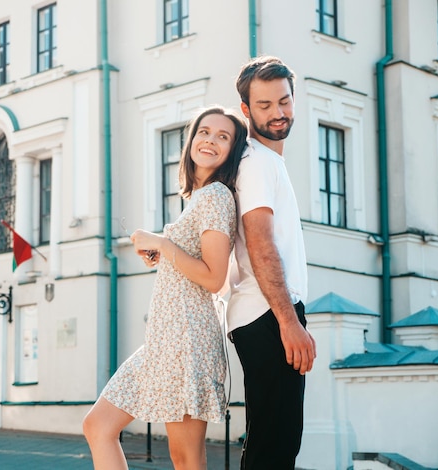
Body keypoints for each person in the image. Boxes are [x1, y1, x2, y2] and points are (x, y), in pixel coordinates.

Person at [83, 106, 248, 470]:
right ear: (192, 139)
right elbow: (192, 263)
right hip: (163, 339)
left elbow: (213, 277)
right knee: (98, 426)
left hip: (187, 337)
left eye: (223, 137)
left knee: (185, 458)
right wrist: (165, 251)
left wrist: (164, 244)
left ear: (232, 151)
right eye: (205, 131)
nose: (210, 140)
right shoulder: (198, 198)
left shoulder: (217, 196)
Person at [226, 55, 317, 470]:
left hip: (265, 313)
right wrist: (289, 322)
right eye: (264, 105)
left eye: (284, 101)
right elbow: (261, 245)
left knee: (273, 442)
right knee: (275, 446)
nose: (278, 113)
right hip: (268, 313)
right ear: (246, 110)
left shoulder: (266, 161)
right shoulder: (258, 161)